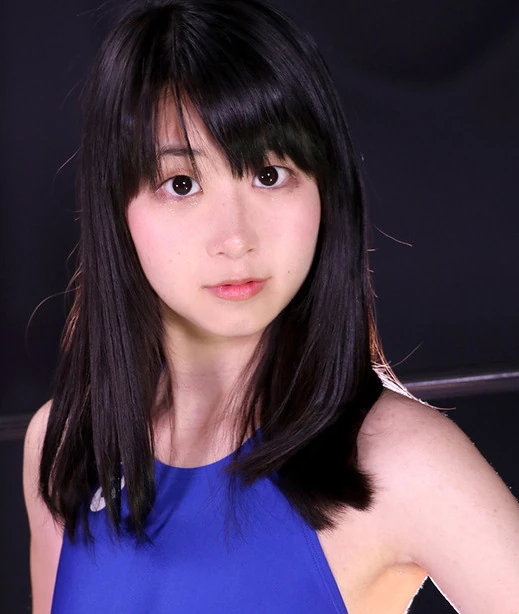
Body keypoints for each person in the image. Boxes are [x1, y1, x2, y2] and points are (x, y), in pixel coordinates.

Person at [23, 0, 519, 612]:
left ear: (326, 189)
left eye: (269, 174)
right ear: (116, 209)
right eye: (182, 184)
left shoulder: (398, 462)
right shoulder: (67, 444)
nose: (235, 238)